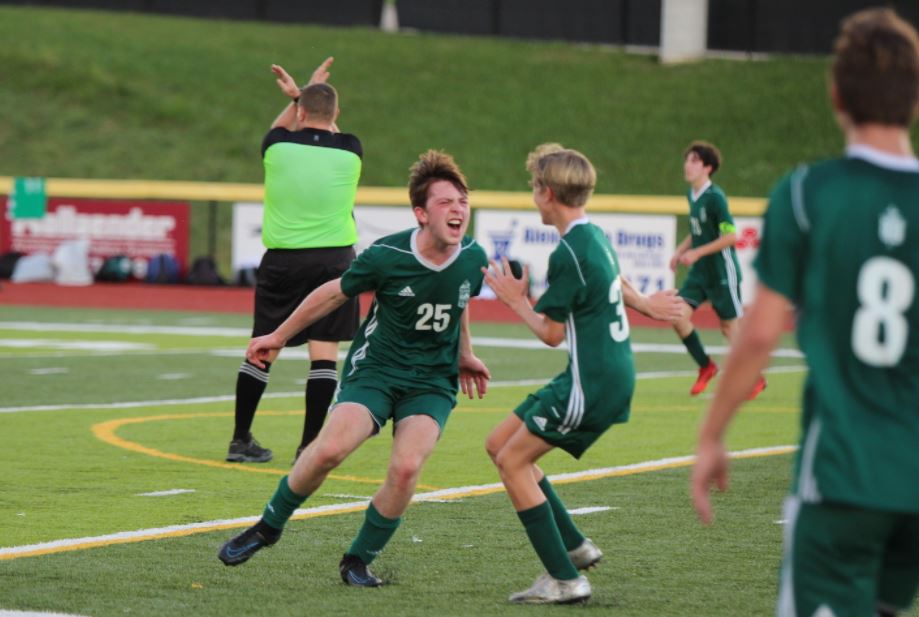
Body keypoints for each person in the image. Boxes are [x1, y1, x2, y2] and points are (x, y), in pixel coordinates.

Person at [691, 8, 919, 616]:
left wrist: (713, 434)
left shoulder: (805, 193)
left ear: (836, 94)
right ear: (914, 99)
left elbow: (761, 332)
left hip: (842, 476)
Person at [218, 150, 491, 587]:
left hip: (431, 382)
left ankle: (357, 560)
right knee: (326, 451)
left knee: (405, 469)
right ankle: (268, 526)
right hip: (377, 372)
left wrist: (464, 352)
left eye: (462, 202)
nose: (458, 209)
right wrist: (278, 336)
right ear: (421, 214)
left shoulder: (474, 257)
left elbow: (460, 302)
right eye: (446, 202)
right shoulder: (386, 255)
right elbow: (331, 294)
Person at [483, 144, 684, 604]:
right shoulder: (593, 237)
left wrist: (517, 302)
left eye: (535, 189)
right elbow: (618, 282)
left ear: (548, 192)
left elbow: (551, 334)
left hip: (591, 383)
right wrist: (647, 305)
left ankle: (565, 580)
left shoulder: (567, 253)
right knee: (498, 444)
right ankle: (574, 546)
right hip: (598, 373)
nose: (533, 197)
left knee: (513, 462)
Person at [226, 57, 363, 464]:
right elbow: (328, 130)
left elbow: (279, 128)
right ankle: (308, 447)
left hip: (283, 259)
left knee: (264, 347)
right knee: (324, 353)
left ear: (300, 111)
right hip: (334, 261)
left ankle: (240, 439)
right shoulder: (351, 149)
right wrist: (310, 98)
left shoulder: (278, 147)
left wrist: (297, 95)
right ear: (336, 114)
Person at [670, 141, 766, 399]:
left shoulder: (716, 198)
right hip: (700, 274)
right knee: (677, 316)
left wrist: (697, 252)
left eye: (694, 161)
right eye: (687, 159)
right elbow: (698, 231)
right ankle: (706, 366)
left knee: (729, 330)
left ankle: (754, 378)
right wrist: (680, 250)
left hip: (723, 273)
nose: (687, 165)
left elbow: (731, 236)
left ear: (707, 168)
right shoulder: (692, 194)